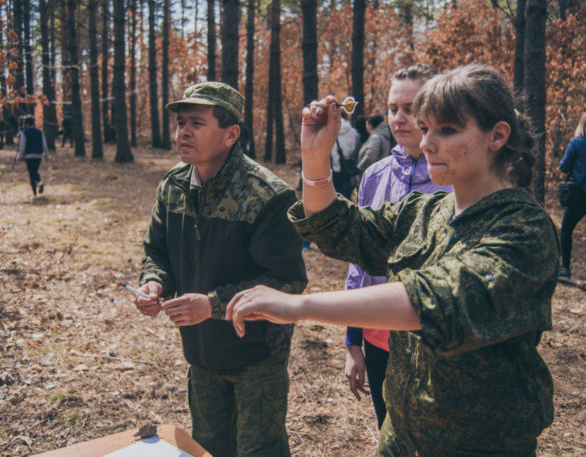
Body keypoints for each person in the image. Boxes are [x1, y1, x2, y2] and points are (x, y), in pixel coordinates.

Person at [227, 64, 560, 455]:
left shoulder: (524, 228)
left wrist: (297, 306)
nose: (428, 142)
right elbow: (338, 227)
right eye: (426, 127)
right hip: (400, 438)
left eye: (447, 130)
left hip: (480, 445)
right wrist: (315, 158)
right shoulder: (425, 211)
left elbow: (436, 301)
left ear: (497, 135)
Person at [133, 81, 307, 456]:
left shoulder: (268, 195)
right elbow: (156, 251)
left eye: (197, 122)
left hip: (257, 357)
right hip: (202, 355)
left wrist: (210, 305)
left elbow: (288, 283)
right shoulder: (173, 186)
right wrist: (153, 282)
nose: (183, 132)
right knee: (209, 448)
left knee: (260, 451)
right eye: (181, 123)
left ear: (231, 134)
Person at [344, 64, 451, 430]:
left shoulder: (455, 180)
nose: (399, 118)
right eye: (393, 109)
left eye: (411, 108)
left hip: (435, 344)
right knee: (388, 431)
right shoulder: (374, 176)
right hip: (378, 337)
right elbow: (358, 262)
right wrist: (352, 338)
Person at [559, 111, 586, 278]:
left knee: (566, 229)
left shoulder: (577, 143)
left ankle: (566, 268)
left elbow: (563, 166)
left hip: (578, 193)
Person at [16, 115, 49, 199]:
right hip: (38, 155)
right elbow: (44, 144)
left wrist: (19, 156)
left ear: (26, 124)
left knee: (31, 173)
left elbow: (22, 146)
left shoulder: (24, 132)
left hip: (29, 155)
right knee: (35, 170)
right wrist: (46, 154)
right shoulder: (39, 131)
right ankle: (39, 182)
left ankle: (35, 193)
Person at [330, 112, 360, 199]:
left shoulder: (329, 130)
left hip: (332, 170)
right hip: (346, 170)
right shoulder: (352, 132)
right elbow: (353, 149)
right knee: (345, 198)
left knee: (332, 199)